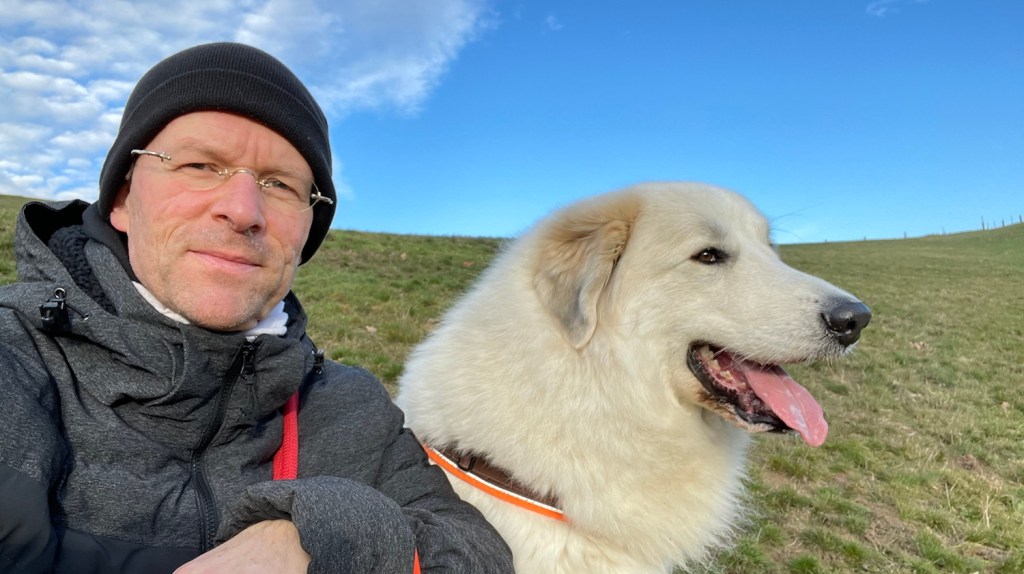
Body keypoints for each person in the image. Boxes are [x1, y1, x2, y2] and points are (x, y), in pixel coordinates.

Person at [0, 42, 514, 573]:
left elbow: (478, 555)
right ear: (124, 200)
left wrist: (321, 540)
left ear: (308, 228)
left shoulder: (347, 406)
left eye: (279, 184)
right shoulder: (13, 362)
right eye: (201, 165)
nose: (243, 210)